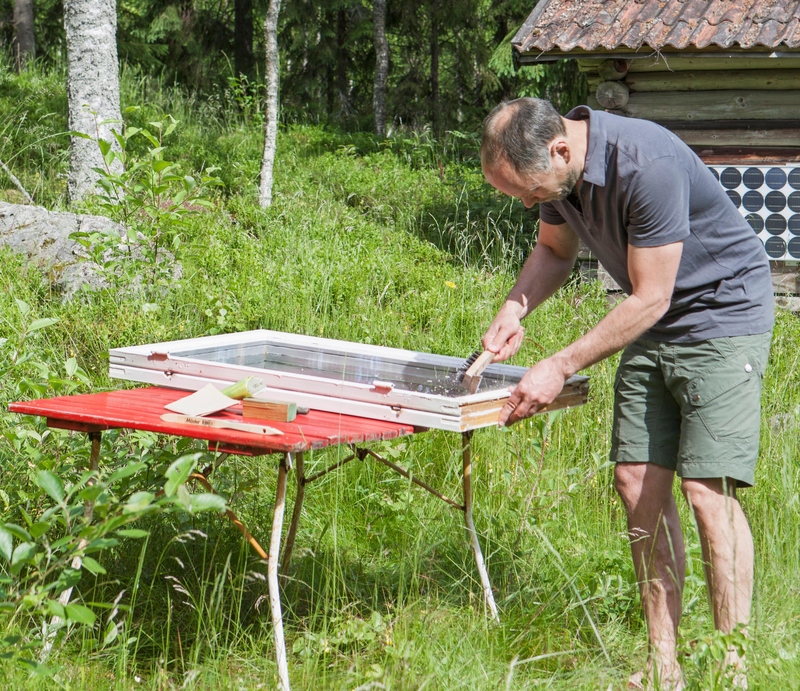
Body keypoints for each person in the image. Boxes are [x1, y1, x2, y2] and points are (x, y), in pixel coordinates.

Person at [479, 98, 773, 690]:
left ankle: (730, 671)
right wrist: (516, 307)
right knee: (636, 481)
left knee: (706, 491)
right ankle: (665, 666)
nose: (530, 203)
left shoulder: (647, 164)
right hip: (653, 318)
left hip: (721, 314)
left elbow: (651, 295)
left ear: (560, 149)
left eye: (528, 191)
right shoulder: (560, 175)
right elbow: (554, 252)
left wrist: (558, 364)